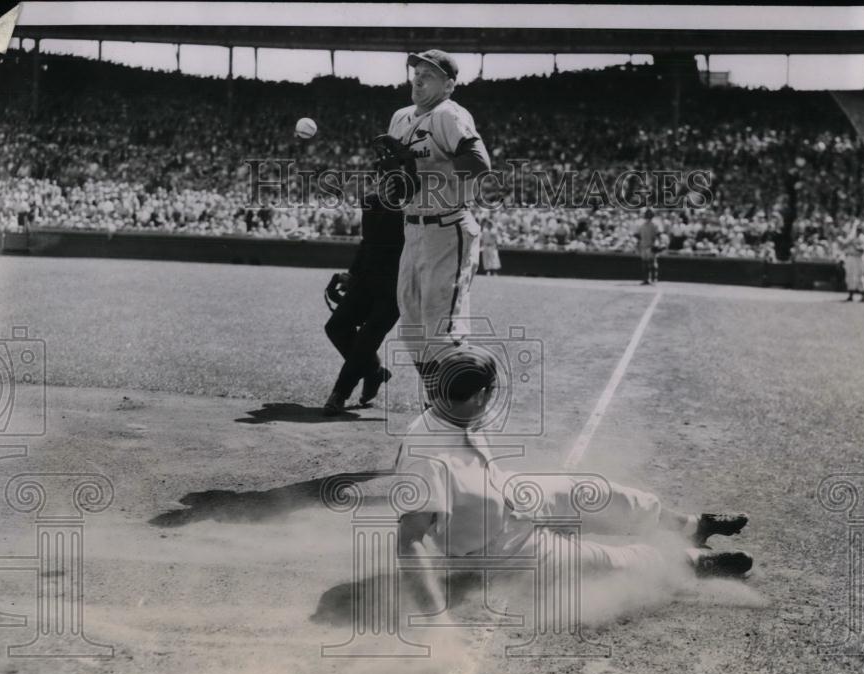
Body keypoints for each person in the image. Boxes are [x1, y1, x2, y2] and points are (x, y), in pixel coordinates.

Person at [395, 345, 753, 600]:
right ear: (479, 397)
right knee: (605, 562)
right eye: (490, 392)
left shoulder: (455, 407)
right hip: (492, 546)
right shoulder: (427, 456)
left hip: (507, 494)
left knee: (595, 491)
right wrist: (434, 617)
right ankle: (692, 561)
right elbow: (409, 539)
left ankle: (690, 527)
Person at [385, 50, 492, 402]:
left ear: (448, 85)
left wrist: (425, 173)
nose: (417, 78)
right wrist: (393, 176)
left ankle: (471, 399)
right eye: (415, 71)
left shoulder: (449, 114)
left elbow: (478, 164)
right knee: (412, 325)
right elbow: (399, 176)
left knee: (441, 324)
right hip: (412, 227)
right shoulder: (400, 117)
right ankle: (438, 396)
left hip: (448, 227)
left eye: (428, 74)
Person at [322, 191, 404, 415]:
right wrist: (351, 274)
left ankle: (340, 392)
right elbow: (367, 242)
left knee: (368, 337)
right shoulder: (371, 200)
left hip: (397, 283)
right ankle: (374, 371)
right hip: (366, 279)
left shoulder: (418, 201)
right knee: (335, 327)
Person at [842, 224, 864, 303]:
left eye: (860, 230)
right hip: (850, 257)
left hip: (859, 258)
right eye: (858, 229)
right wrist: (847, 241)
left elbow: (862, 249)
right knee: (849, 276)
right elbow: (844, 245)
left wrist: (854, 244)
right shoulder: (851, 237)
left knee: (860, 276)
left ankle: (863, 296)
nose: (859, 231)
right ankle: (850, 296)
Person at [637, 208, 659, 285]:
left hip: (650, 245)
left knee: (651, 262)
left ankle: (653, 279)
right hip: (644, 246)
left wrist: (655, 244)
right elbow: (639, 236)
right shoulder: (642, 225)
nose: (648, 216)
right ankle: (646, 279)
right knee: (645, 263)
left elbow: (657, 236)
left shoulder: (654, 225)